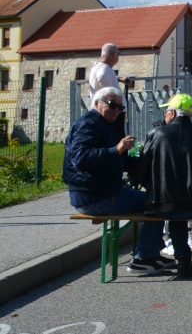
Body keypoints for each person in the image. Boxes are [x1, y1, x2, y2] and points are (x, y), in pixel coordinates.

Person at [63, 86, 169, 274]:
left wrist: (148, 162)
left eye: (120, 108)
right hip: (93, 197)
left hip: (104, 191)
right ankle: (143, 258)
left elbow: (118, 160)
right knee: (159, 204)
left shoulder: (105, 124)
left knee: (158, 200)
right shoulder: (88, 124)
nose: (116, 111)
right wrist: (117, 148)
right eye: (112, 105)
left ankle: (150, 253)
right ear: (96, 103)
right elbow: (81, 158)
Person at [137, 93, 192, 277]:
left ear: (173, 113)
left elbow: (142, 169)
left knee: (176, 213)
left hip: (162, 202)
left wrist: (153, 187)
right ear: (190, 114)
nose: (165, 116)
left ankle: (183, 260)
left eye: (167, 112)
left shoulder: (156, 134)